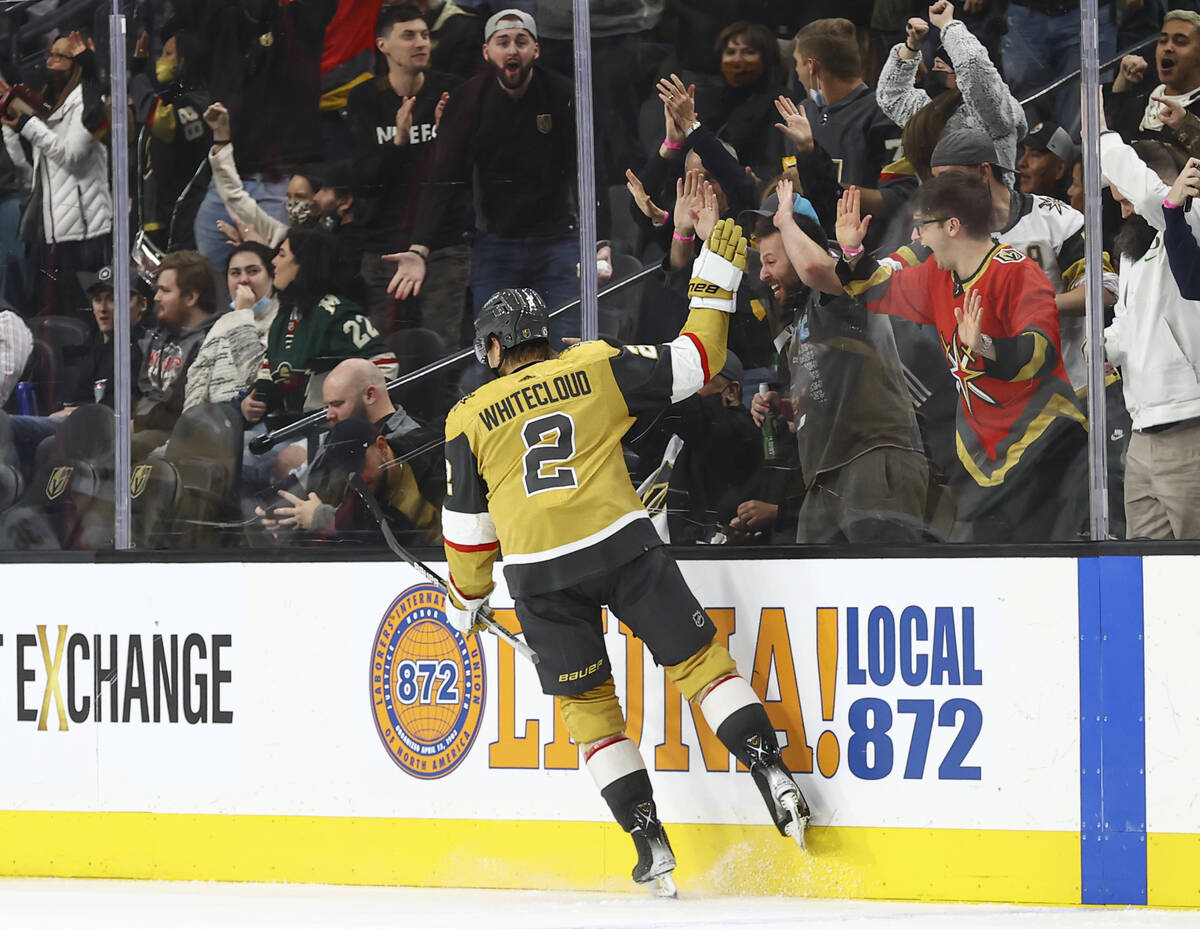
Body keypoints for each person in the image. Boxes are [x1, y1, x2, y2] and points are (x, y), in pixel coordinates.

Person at [440, 221, 810, 894]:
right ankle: (770, 770)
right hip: (623, 543)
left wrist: (466, 600)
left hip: (540, 576)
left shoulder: (466, 415)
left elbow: (468, 532)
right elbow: (698, 361)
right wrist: (715, 281)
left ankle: (650, 842)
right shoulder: (593, 365)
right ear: (543, 339)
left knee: (591, 712)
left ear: (494, 347)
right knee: (701, 664)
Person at [833, 175, 1088, 542]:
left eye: (922, 225)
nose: (916, 237)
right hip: (986, 459)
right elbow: (876, 293)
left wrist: (986, 346)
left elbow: (1040, 351)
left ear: (952, 226)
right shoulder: (939, 278)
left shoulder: (1018, 273)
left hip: (1046, 447)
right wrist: (853, 253)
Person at [731, 180, 939, 544]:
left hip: (874, 458)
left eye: (771, 260)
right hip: (824, 476)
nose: (763, 274)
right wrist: (782, 407)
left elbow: (812, 267)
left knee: (884, 583)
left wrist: (786, 222)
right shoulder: (798, 318)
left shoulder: (846, 285)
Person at [385, 9, 606, 342]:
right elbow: (444, 176)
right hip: (497, 245)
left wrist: (600, 242)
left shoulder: (562, 94)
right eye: (502, 42)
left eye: (521, 41)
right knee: (498, 349)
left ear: (536, 50)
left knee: (566, 346)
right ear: (487, 52)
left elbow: (588, 170)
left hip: (558, 242)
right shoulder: (467, 100)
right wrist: (420, 249)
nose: (512, 50)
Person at [929, 128, 1118, 392]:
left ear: (984, 172)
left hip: (1077, 386)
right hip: (1007, 403)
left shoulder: (1055, 218)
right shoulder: (948, 235)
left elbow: (1105, 292)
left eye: (951, 178)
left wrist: (1039, 307)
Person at [350, 4, 469, 343]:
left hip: (443, 243)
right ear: (383, 45)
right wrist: (398, 141)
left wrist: (447, 137)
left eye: (425, 35)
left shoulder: (450, 92)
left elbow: (461, 173)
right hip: (383, 245)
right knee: (385, 353)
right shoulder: (364, 99)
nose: (420, 43)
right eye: (408, 36)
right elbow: (364, 181)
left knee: (441, 350)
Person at [1102, 134, 1200, 539]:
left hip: (1190, 427)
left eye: (1125, 200)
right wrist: (1102, 346)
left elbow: (1149, 198)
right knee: (1145, 571)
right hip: (1142, 430)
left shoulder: (1191, 221)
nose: (1124, 212)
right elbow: (1126, 323)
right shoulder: (1131, 253)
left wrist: (1103, 138)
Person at [0, 33, 113, 317]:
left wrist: (27, 124)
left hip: (89, 234)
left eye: (60, 56)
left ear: (76, 64)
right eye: (49, 55)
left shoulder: (88, 102)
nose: (50, 62)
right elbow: (26, 169)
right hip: (54, 235)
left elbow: (72, 156)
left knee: (89, 320)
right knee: (62, 324)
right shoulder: (49, 108)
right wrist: (9, 119)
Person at [876, 1, 1025, 174]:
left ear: (960, 74)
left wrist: (948, 25)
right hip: (936, 199)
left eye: (940, 67)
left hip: (987, 199)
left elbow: (974, 66)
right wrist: (912, 45)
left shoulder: (997, 111)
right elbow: (891, 96)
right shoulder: (930, 112)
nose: (933, 72)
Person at [134, 250, 221, 456]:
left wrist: (135, 423)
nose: (156, 297)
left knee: (123, 449)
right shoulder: (160, 334)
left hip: (179, 433)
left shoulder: (210, 341)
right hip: (144, 424)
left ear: (190, 297)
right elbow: (139, 390)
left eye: (165, 290)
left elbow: (183, 409)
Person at [183, 247, 276, 411]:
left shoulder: (283, 319)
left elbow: (254, 375)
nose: (243, 280)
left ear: (271, 276)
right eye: (235, 273)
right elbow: (197, 381)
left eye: (253, 271)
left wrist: (242, 313)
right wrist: (192, 426)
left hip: (254, 423)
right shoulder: (222, 323)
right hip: (214, 424)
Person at [1106, 11, 1200, 148]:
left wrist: (1185, 126)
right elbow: (1109, 138)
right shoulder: (1143, 101)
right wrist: (1123, 79)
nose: (1167, 48)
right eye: (1162, 41)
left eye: (1180, 42)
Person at [1017, 121, 1075, 200]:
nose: (1021, 162)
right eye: (1024, 152)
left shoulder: (1070, 212)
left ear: (1059, 169)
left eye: (1035, 155)